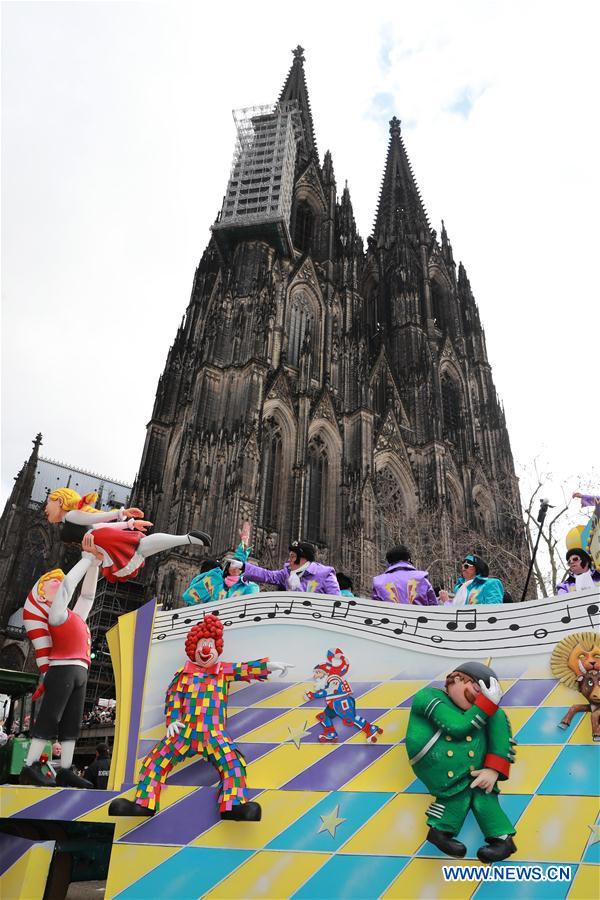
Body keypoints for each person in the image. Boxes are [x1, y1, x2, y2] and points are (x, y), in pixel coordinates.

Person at [108, 615, 292, 821]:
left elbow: (244, 669)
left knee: (233, 762)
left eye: (210, 645)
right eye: (202, 645)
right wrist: (173, 721)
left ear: (217, 648)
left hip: (212, 733)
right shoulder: (183, 675)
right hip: (184, 731)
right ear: (193, 648)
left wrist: (269, 666)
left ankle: (233, 805)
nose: (206, 650)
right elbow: (173, 697)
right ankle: (143, 804)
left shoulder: (222, 671)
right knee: (155, 761)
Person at [406, 661, 517, 862]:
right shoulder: (429, 697)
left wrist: (493, 770)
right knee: (454, 791)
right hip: (437, 766)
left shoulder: (487, 711)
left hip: (474, 771)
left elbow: (501, 738)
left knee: (481, 791)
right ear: (457, 678)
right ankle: (440, 829)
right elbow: (457, 727)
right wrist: (487, 704)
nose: (478, 698)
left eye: (483, 695)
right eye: (476, 690)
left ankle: (502, 840)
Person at [20, 552, 101, 788]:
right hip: (62, 669)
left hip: (79, 673)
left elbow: (87, 595)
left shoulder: (74, 616)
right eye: (52, 581)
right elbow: (69, 585)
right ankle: (30, 765)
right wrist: (85, 559)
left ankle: (65, 769)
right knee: (50, 717)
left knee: (71, 723)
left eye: (58, 580)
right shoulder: (56, 617)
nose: (61, 581)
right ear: (42, 594)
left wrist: (95, 565)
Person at [45, 487, 211, 583]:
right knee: (142, 548)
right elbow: (98, 524)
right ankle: (187, 538)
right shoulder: (70, 519)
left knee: (142, 547)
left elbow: (96, 518)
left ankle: (187, 538)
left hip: (101, 539)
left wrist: (121, 514)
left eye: (49, 502)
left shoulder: (72, 516)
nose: (46, 508)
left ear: (60, 501)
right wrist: (128, 524)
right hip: (99, 542)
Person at [182, 522, 259, 605]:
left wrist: (244, 540)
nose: (236, 567)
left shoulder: (247, 586)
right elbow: (190, 599)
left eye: (239, 567)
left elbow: (239, 558)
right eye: (232, 566)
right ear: (226, 570)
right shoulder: (214, 581)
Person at [242, 541, 341, 595]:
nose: (289, 560)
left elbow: (336, 603)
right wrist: (243, 566)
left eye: (292, 556)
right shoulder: (287, 573)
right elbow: (268, 575)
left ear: (304, 559)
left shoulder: (325, 573)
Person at [372, 545, 438, 605]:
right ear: (408, 559)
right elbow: (434, 608)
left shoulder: (378, 582)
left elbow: (375, 611)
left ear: (388, 562)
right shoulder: (422, 578)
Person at [438, 554, 503, 605]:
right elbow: (455, 613)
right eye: (462, 566)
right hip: (462, 621)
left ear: (477, 567)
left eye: (466, 566)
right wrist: (446, 602)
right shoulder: (459, 588)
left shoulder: (490, 583)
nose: (463, 568)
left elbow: (494, 609)